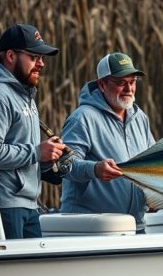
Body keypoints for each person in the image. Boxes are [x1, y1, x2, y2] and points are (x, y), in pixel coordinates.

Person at [0, 23, 65, 240]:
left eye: (42, 58)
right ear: (11, 55)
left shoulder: (23, 94)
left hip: (25, 205)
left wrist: (47, 158)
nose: (41, 64)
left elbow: (22, 149)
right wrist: (37, 152)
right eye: (34, 57)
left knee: (31, 274)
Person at [59, 52, 155, 233]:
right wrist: (95, 169)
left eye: (132, 82)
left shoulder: (140, 117)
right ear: (102, 85)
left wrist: (155, 194)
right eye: (120, 82)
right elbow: (65, 165)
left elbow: (153, 160)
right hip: (91, 228)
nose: (128, 88)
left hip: (135, 226)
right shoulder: (82, 118)